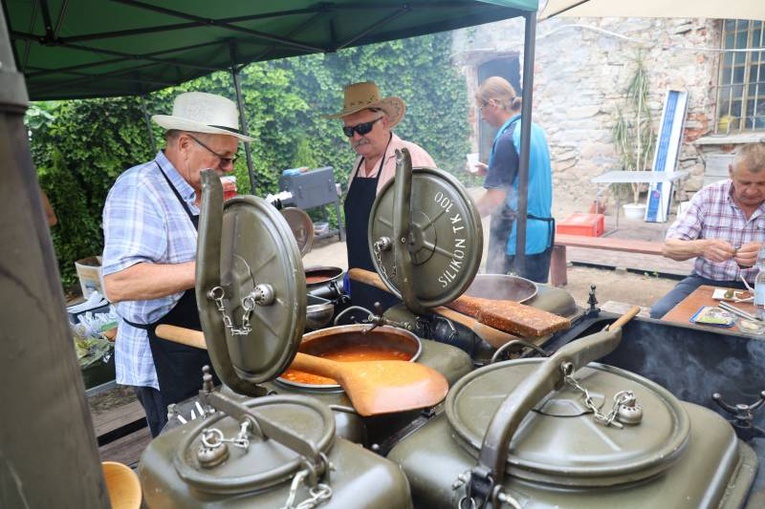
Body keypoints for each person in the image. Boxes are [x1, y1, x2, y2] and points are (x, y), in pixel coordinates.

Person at [101, 92, 252, 436]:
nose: (228, 168)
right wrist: (215, 269)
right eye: (223, 158)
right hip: (165, 355)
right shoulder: (140, 188)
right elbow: (119, 283)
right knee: (182, 456)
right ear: (185, 144)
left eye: (232, 159)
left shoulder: (199, 188)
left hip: (202, 343)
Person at [326, 81, 436, 311]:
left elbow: (433, 226)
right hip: (362, 283)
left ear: (384, 121)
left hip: (400, 289)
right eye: (349, 131)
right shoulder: (358, 165)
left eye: (363, 128)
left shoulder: (411, 158)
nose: (356, 137)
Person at [650, 143, 765, 319]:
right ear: (731, 172)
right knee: (662, 313)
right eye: (745, 182)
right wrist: (702, 247)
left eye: (762, 184)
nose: (752, 191)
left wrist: (763, 253)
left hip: (760, 286)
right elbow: (669, 247)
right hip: (706, 279)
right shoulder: (708, 196)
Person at [472, 76, 554, 283]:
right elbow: (527, 176)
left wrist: (464, 217)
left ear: (493, 103)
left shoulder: (507, 139)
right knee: (535, 305)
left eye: (481, 108)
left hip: (516, 240)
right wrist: (492, 171)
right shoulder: (533, 130)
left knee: (504, 309)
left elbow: (495, 200)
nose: (481, 116)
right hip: (541, 237)